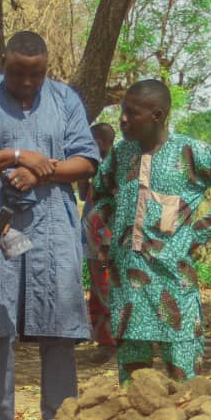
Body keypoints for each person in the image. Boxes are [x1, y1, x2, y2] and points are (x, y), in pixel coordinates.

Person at [0, 31, 100, 420]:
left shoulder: (64, 99)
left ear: (46, 69)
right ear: (4, 63)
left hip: (53, 228)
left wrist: (41, 172)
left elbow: (87, 160)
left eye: (36, 74)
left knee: (58, 325)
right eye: (18, 73)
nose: (27, 82)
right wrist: (14, 161)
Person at [94, 79, 211, 382]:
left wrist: (198, 233)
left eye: (132, 112)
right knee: (134, 384)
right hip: (128, 288)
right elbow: (100, 193)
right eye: (123, 111)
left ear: (157, 115)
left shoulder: (192, 152)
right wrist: (112, 234)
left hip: (173, 284)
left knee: (183, 379)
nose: (123, 119)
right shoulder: (120, 154)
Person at [81, 122, 117, 362]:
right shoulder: (95, 166)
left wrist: (106, 242)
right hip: (92, 240)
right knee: (97, 290)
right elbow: (83, 194)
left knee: (107, 289)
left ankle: (111, 343)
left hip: (106, 241)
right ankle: (102, 339)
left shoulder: (114, 166)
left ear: (102, 142)